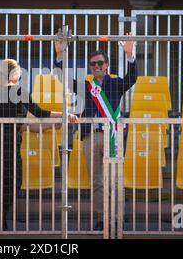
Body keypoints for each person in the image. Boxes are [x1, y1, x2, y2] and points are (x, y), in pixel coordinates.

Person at [0, 59, 77, 231]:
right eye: (19, 73)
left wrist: (64, 114)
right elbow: (40, 113)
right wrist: (64, 114)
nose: (21, 76)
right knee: (5, 186)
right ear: (13, 74)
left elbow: (39, 114)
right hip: (1, 144)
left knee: (0, 186)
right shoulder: (6, 91)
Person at [54, 34, 137, 230]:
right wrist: (59, 55)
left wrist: (130, 54)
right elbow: (64, 79)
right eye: (93, 64)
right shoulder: (86, 87)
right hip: (90, 137)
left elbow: (132, 78)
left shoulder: (116, 84)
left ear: (107, 65)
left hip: (112, 136)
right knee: (97, 182)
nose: (97, 66)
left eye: (100, 63)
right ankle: (102, 219)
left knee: (116, 181)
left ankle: (118, 219)